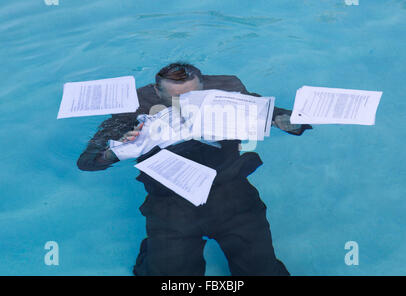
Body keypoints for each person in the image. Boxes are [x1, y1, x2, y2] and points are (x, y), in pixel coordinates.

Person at [77, 63, 312, 276]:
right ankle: (154, 250)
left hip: (230, 192)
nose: (186, 104)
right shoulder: (134, 111)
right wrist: (118, 148)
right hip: (170, 201)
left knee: (261, 272)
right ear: (157, 92)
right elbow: (88, 161)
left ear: (204, 87)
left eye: (194, 96)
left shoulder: (227, 97)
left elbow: (286, 117)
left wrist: (286, 122)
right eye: (176, 98)